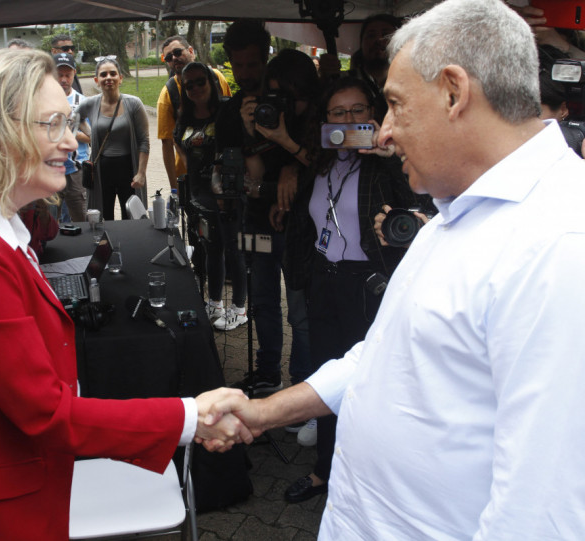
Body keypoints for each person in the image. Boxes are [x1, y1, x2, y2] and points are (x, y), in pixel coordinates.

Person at [206, 0, 585, 538]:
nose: (381, 133)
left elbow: (542, 515)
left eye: (395, 106)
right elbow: (384, 355)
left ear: (454, 92)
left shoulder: (561, 245)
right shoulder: (456, 213)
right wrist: (264, 413)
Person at [0, 48, 250, 540]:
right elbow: (46, 412)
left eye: (71, 122)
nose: (74, 139)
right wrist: (191, 416)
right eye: (53, 124)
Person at [281, 76, 430, 503]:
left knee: (371, 385)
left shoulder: (390, 163)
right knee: (326, 378)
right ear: (324, 120)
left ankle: (370, 479)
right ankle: (324, 469)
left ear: (374, 114)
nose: (349, 120)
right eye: (338, 113)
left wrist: (388, 155)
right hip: (325, 284)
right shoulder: (319, 164)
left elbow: (419, 204)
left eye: (358, 111)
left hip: (371, 288)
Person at [222, 46, 315, 403]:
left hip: (298, 222)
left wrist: (288, 160)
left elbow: (316, 163)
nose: (246, 72)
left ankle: (302, 388)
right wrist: (251, 133)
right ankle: (267, 371)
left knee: (299, 308)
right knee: (261, 297)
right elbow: (252, 180)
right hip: (256, 218)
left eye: (253, 65)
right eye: (239, 64)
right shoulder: (237, 111)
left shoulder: (307, 112)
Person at [173, 62, 247, 330]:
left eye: (199, 81)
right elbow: (177, 141)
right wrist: (194, 172)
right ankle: (214, 303)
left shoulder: (226, 111)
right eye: (188, 84)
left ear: (211, 82)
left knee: (234, 250)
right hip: (199, 197)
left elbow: (239, 149)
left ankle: (239, 308)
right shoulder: (186, 116)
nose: (194, 88)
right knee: (210, 250)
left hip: (227, 196)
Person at [77, 56, 149, 220]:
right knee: (103, 216)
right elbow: (74, 119)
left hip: (128, 169)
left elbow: (144, 141)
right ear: (96, 80)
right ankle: (106, 245)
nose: (108, 78)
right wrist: (90, 134)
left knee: (131, 217)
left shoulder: (134, 104)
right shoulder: (90, 104)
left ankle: (130, 246)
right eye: (103, 75)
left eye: (113, 74)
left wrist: (141, 173)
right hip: (102, 170)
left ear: (120, 78)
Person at [157, 35, 231, 190]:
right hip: (191, 178)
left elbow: (232, 117)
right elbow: (168, 142)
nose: (174, 58)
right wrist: (174, 188)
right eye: (169, 57)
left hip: (226, 174)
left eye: (178, 52)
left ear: (191, 51)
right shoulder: (167, 94)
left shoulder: (217, 78)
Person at [53, 52, 88, 222]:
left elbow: (92, 137)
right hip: (50, 169)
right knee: (50, 219)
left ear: (74, 74)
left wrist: (70, 131)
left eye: (68, 75)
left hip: (76, 169)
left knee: (80, 217)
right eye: (60, 75)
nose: (64, 79)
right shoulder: (42, 100)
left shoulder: (83, 102)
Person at [347, 14, 400, 122]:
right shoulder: (346, 81)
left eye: (386, 35)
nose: (379, 40)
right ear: (361, 44)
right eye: (371, 36)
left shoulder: (412, 82)